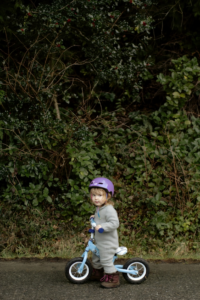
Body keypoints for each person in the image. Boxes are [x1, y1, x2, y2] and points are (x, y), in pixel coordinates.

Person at [89, 177, 120, 288]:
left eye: (100, 195)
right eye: (94, 195)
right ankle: (98, 273)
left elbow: (115, 223)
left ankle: (113, 278)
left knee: (106, 260)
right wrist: (94, 218)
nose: (96, 198)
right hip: (99, 241)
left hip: (108, 243)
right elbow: (100, 218)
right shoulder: (99, 208)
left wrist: (102, 226)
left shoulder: (109, 209)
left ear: (108, 196)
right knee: (96, 258)